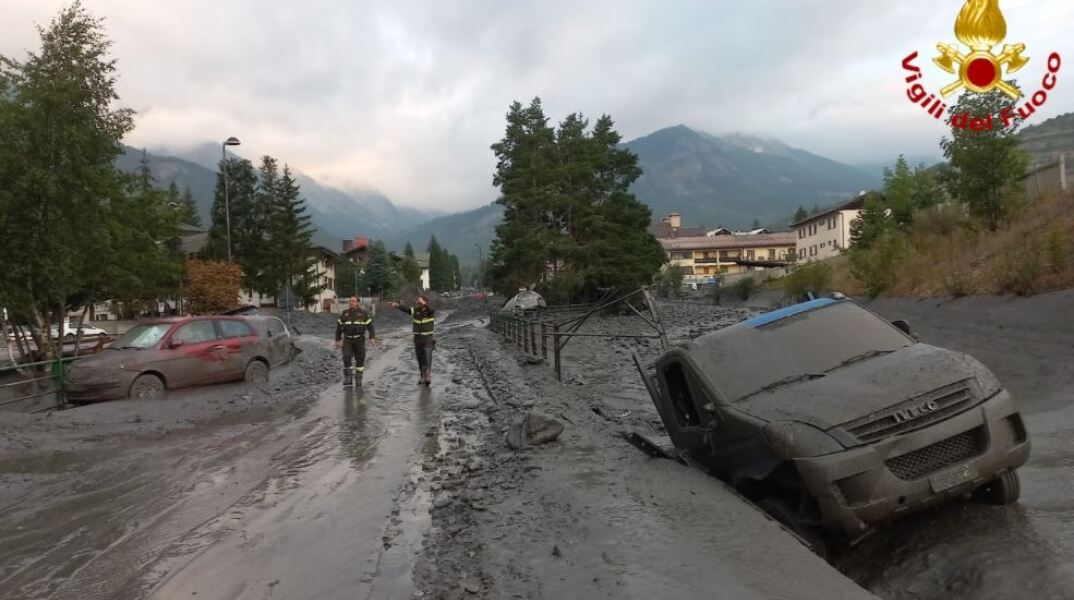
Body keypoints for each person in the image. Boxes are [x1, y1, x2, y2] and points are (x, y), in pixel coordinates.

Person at [388, 294, 435, 385]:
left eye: (420, 301)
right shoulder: (415, 311)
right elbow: (406, 309)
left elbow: (430, 310)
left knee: (427, 356)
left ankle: (428, 376)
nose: (418, 303)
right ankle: (422, 376)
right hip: (417, 338)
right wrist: (397, 305)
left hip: (428, 338)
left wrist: (424, 304)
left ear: (425, 302)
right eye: (418, 301)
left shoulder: (430, 311)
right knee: (420, 358)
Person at [335, 296, 376, 386]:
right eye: (350, 301)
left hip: (359, 339)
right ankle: (348, 378)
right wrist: (337, 339)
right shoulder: (344, 313)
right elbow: (339, 327)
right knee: (346, 357)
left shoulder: (363, 313)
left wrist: (372, 337)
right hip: (347, 339)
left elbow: (370, 326)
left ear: (358, 303)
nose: (351, 302)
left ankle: (358, 378)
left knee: (360, 358)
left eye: (353, 301)